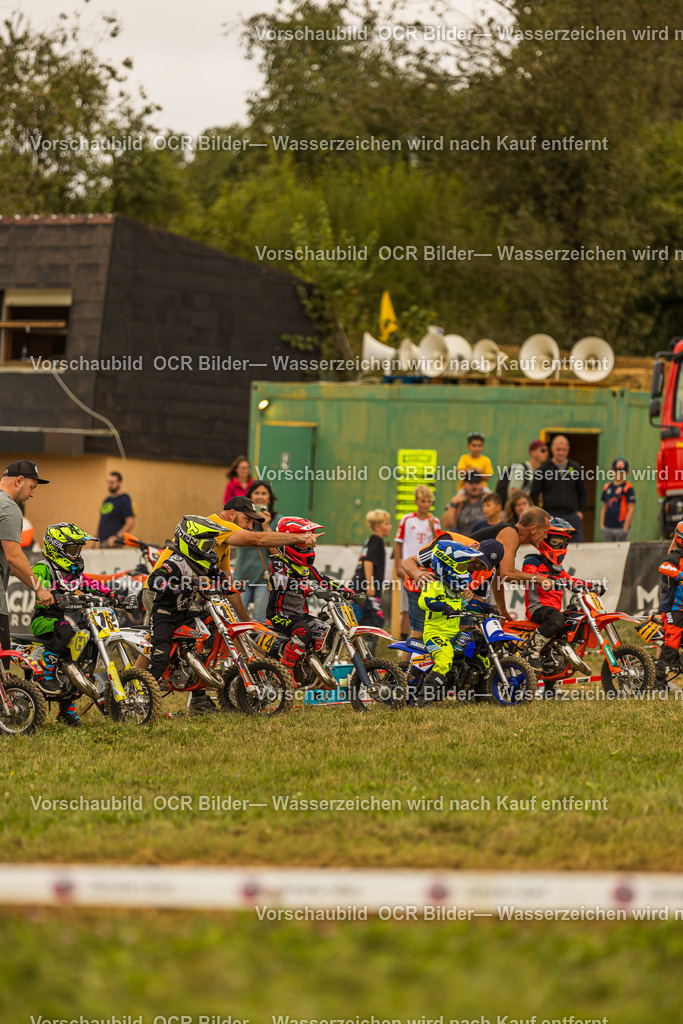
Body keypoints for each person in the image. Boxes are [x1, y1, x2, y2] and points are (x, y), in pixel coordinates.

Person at [31, 524, 124, 726]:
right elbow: (35, 582)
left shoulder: (71, 574)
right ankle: (45, 669)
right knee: (65, 628)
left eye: (78, 549)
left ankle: (67, 712)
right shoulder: (44, 567)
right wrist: (51, 595)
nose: (76, 553)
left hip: (65, 619)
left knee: (83, 657)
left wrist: (113, 595)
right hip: (43, 619)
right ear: (56, 548)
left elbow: (90, 583)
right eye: (72, 549)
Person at [403, 508, 553, 623]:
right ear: (533, 529)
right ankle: (406, 664)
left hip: (452, 586)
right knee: (419, 637)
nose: (546, 537)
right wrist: (540, 579)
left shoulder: (501, 549)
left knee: (463, 631)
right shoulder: (510, 533)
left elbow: (497, 576)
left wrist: (502, 609)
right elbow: (507, 574)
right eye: (545, 532)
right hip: (423, 581)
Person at [147, 516, 232, 715]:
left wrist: (227, 585)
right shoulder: (176, 562)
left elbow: (219, 576)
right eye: (208, 544)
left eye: (213, 545)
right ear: (191, 542)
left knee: (202, 652)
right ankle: (145, 695)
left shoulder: (205, 563)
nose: (211, 550)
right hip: (165, 614)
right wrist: (175, 586)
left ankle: (199, 700)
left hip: (187, 612)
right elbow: (154, 580)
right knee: (160, 656)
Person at [418, 538, 504, 700]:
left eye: (465, 566)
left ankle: (480, 694)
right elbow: (424, 602)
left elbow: (469, 604)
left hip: (453, 634)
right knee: (444, 660)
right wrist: (443, 606)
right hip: (435, 634)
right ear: (445, 565)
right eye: (461, 566)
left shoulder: (456, 589)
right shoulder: (434, 584)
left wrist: (488, 608)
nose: (465, 570)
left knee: (478, 647)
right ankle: (423, 699)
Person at [520, 518, 606, 678]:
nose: (560, 547)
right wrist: (549, 579)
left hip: (554, 611)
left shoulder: (558, 569)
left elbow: (571, 579)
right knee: (557, 619)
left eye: (563, 543)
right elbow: (529, 573)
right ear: (545, 541)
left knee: (576, 617)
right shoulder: (532, 560)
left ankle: (556, 670)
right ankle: (531, 650)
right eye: (555, 542)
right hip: (537, 609)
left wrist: (591, 585)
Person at [267, 517, 353, 671]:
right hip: (280, 614)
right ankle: (285, 669)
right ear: (288, 544)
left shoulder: (306, 568)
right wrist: (303, 586)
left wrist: (346, 590)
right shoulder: (279, 562)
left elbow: (323, 580)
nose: (307, 547)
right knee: (303, 632)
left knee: (324, 630)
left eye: (309, 543)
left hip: (300, 614)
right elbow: (279, 580)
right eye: (301, 543)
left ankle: (312, 670)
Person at [0, 461, 54, 655]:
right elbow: (14, 559)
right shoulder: (9, 508)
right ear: (19, 480)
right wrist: (39, 588)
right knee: (3, 667)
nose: (32, 494)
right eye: (32, 487)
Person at [394, 486, 440, 659]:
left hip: (427, 571)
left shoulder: (434, 521)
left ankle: (423, 644)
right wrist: (398, 565)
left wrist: (433, 528)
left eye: (429, 501)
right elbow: (398, 543)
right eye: (423, 501)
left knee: (426, 606)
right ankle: (404, 641)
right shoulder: (407, 520)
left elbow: (438, 542)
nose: (426, 505)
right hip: (409, 568)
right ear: (416, 502)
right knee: (407, 609)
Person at [233, 481, 282, 622]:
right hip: (241, 577)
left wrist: (266, 527)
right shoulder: (242, 518)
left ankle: (256, 645)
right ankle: (239, 645)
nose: (260, 496)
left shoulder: (277, 520)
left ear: (269, 498)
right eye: (257, 493)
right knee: (236, 619)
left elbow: (277, 554)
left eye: (264, 493)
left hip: (263, 579)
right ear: (250, 497)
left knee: (259, 620)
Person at [529, 435, 587, 541]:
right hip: (550, 516)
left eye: (564, 450)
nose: (561, 453)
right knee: (550, 546)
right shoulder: (543, 469)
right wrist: (539, 515)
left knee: (577, 547)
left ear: (568, 449)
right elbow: (534, 494)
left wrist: (581, 512)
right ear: (552, 449)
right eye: (558, 449)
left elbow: (582, 491)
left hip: (572, 516)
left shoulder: (575, 467)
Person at [351, 509, 392, 651]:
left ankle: (361, 648)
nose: (390, 526)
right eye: (387, 523)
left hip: (358, 585)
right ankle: (367, 651)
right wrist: (370, 584)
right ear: (377, 527)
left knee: (361, 618)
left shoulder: (370, 540)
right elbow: (368, 562)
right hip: (365, 586)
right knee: (376, 618)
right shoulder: (377, 540)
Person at [655, 522, 683, 690]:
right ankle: (658, 680)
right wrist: (679, 574)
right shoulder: (676, 555)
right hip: (673, 607)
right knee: (672, 640)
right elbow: (663, 567)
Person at [600, 459, 636, 541]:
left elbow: (632, 509)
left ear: (627, 472)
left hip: (620, 528)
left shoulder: (628, 488)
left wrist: (625, 527)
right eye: (616, 471)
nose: (618, 474)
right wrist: (602, 525)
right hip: (607, 527)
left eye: (621, 471)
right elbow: (604, 506)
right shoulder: (607, 486)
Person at [442, 471, 486, 537]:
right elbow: (446, 525)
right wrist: (454, 504)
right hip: (463, 543)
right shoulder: (459, 501)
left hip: (484, 541)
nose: (474, 486)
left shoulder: (486, 500)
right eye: (471, 483)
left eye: (477, 483)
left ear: (482, 484)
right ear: (464, 484)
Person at [97, 472, 135, 547]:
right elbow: (102, 520)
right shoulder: (107, 500)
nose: (109, 485)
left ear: (119, 483)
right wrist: (95, 539)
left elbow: (130, 522)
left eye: (112, 482)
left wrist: (117, 537)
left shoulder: (124, 499)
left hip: (113, 543)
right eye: (108, 482)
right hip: (102, 542)